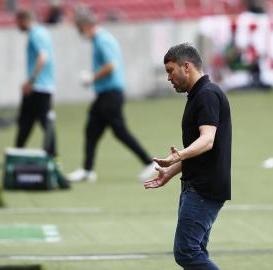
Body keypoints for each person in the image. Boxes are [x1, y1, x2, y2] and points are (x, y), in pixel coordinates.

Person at [144, 43, 232, 270]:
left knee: (187, 252)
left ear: (186, 66)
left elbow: (207, 140)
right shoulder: (198, 95)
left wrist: (177, 156)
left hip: (204, 189)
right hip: (196, 186)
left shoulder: (207, 94)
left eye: (170, 70)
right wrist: (170, 172)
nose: (168, 78)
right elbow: (200, 149)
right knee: (195, 251)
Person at [68, 9, 156, 182]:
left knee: (119, 131)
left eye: (79, 27)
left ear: (86, 26)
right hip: (105, 94)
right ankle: (87, 170)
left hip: (111, 94)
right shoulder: (100, 39)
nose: (79, 31)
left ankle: (149, 162)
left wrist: (92, 77)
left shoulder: (102, 40)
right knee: (92, 130)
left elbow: (110, 65)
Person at [14, 10, 57, 157]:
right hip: (44, 85)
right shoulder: (43, 32)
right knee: (27, 121)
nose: (17, 25)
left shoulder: (35, 34)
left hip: (38, 86)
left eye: (18, 22)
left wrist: (30, 80)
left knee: (41, 122)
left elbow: (43, 57)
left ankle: (53, 155)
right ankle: (17, 152)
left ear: (23, 20)